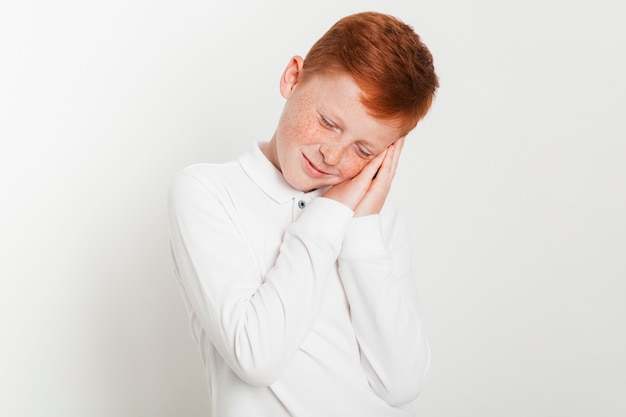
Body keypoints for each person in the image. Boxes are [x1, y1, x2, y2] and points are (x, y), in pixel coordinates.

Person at [168, 11, 439, 417]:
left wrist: (361, 229)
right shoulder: (208, 192)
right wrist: (330, 211)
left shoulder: (374, 222)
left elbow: (401, 383)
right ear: (293, 78)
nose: (333, 155)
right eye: (328, 122)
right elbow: (256, 356)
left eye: (364, 151)